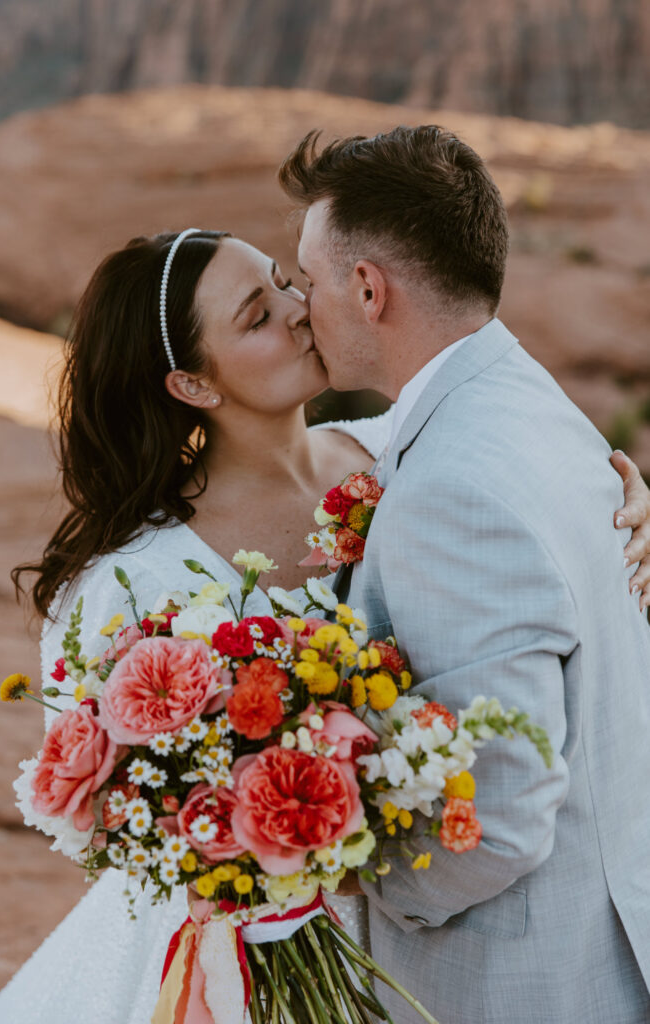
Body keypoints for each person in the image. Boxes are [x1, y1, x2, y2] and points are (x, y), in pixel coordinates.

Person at [0, 227, 649, 1024]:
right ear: (193, 385)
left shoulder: (400, 453)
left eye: (285, 282)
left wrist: (626, 509)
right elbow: (113, 815)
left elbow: (533, 505)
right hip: (261, 952)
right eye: (257, 315)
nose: (300, 311)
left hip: (445, 928)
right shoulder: (132, 579)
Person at [279, 125, 650, 1023]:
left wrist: (355, 887)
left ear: (368, 290)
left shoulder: (451, 489)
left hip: (519, 987)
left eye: (308, 282)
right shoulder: (530, 401)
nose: (299, 308)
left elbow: (500, 808)